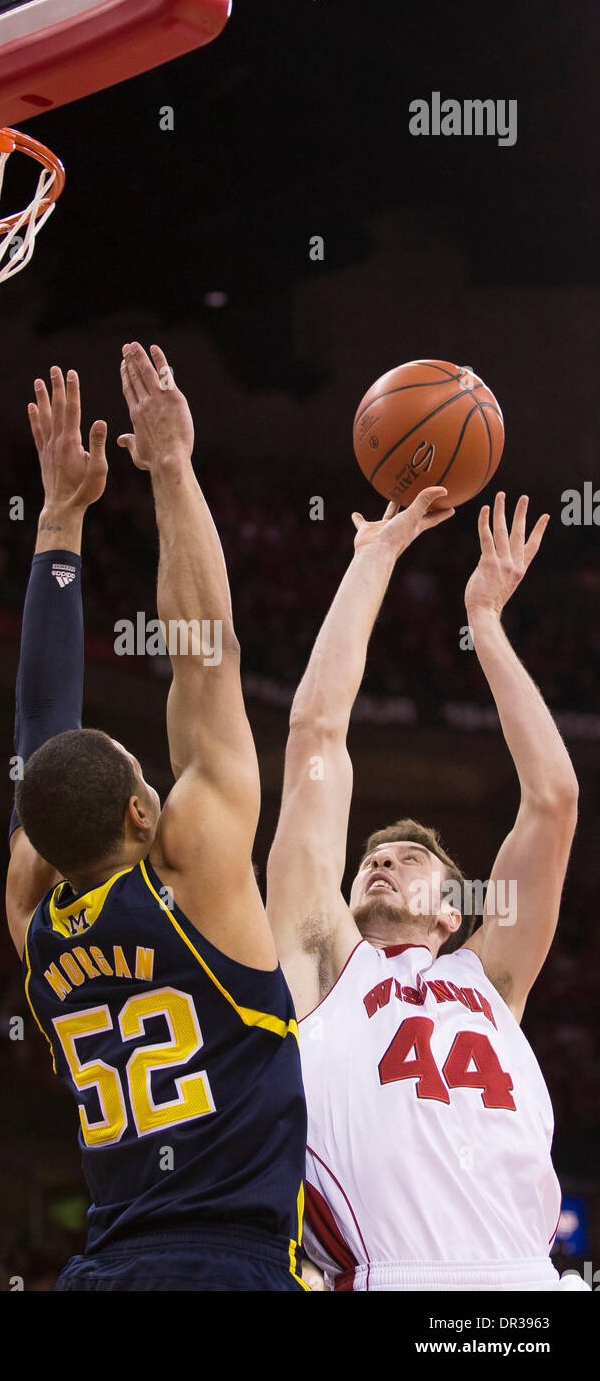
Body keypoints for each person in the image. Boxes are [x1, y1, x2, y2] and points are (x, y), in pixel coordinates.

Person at [5, 345, 307, 1291]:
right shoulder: (194, 877)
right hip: (230, 1266)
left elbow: (40, 745)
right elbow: (204, 655)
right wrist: (169, 469)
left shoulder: (37, 925)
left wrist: (60, 525)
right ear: (143, 810)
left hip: (106, 1269)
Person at [267, 486, 580, 1291]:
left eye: (407, 857)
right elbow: (315, 736)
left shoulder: (490, 978)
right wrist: (372, 559)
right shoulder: (321, 962)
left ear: (453, 910)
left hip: (529, 1285)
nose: (380, 861)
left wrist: (485, 624)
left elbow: (551, 801)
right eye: (370, 857)